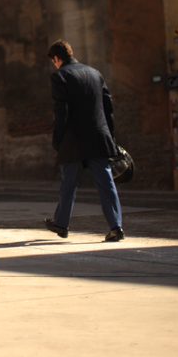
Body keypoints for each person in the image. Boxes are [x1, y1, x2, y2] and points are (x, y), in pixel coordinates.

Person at [43, 39, 125, 242]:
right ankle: (116, 227)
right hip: (98, 136)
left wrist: (58, 139)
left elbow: (61, 112)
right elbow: (108, 107)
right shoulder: (95, 73)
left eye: (53, 61)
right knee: (106, 182)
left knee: (68, 182)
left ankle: (62, 224)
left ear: (56, 58)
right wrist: (111, 138)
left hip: (73, 138)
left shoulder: (60, 76)